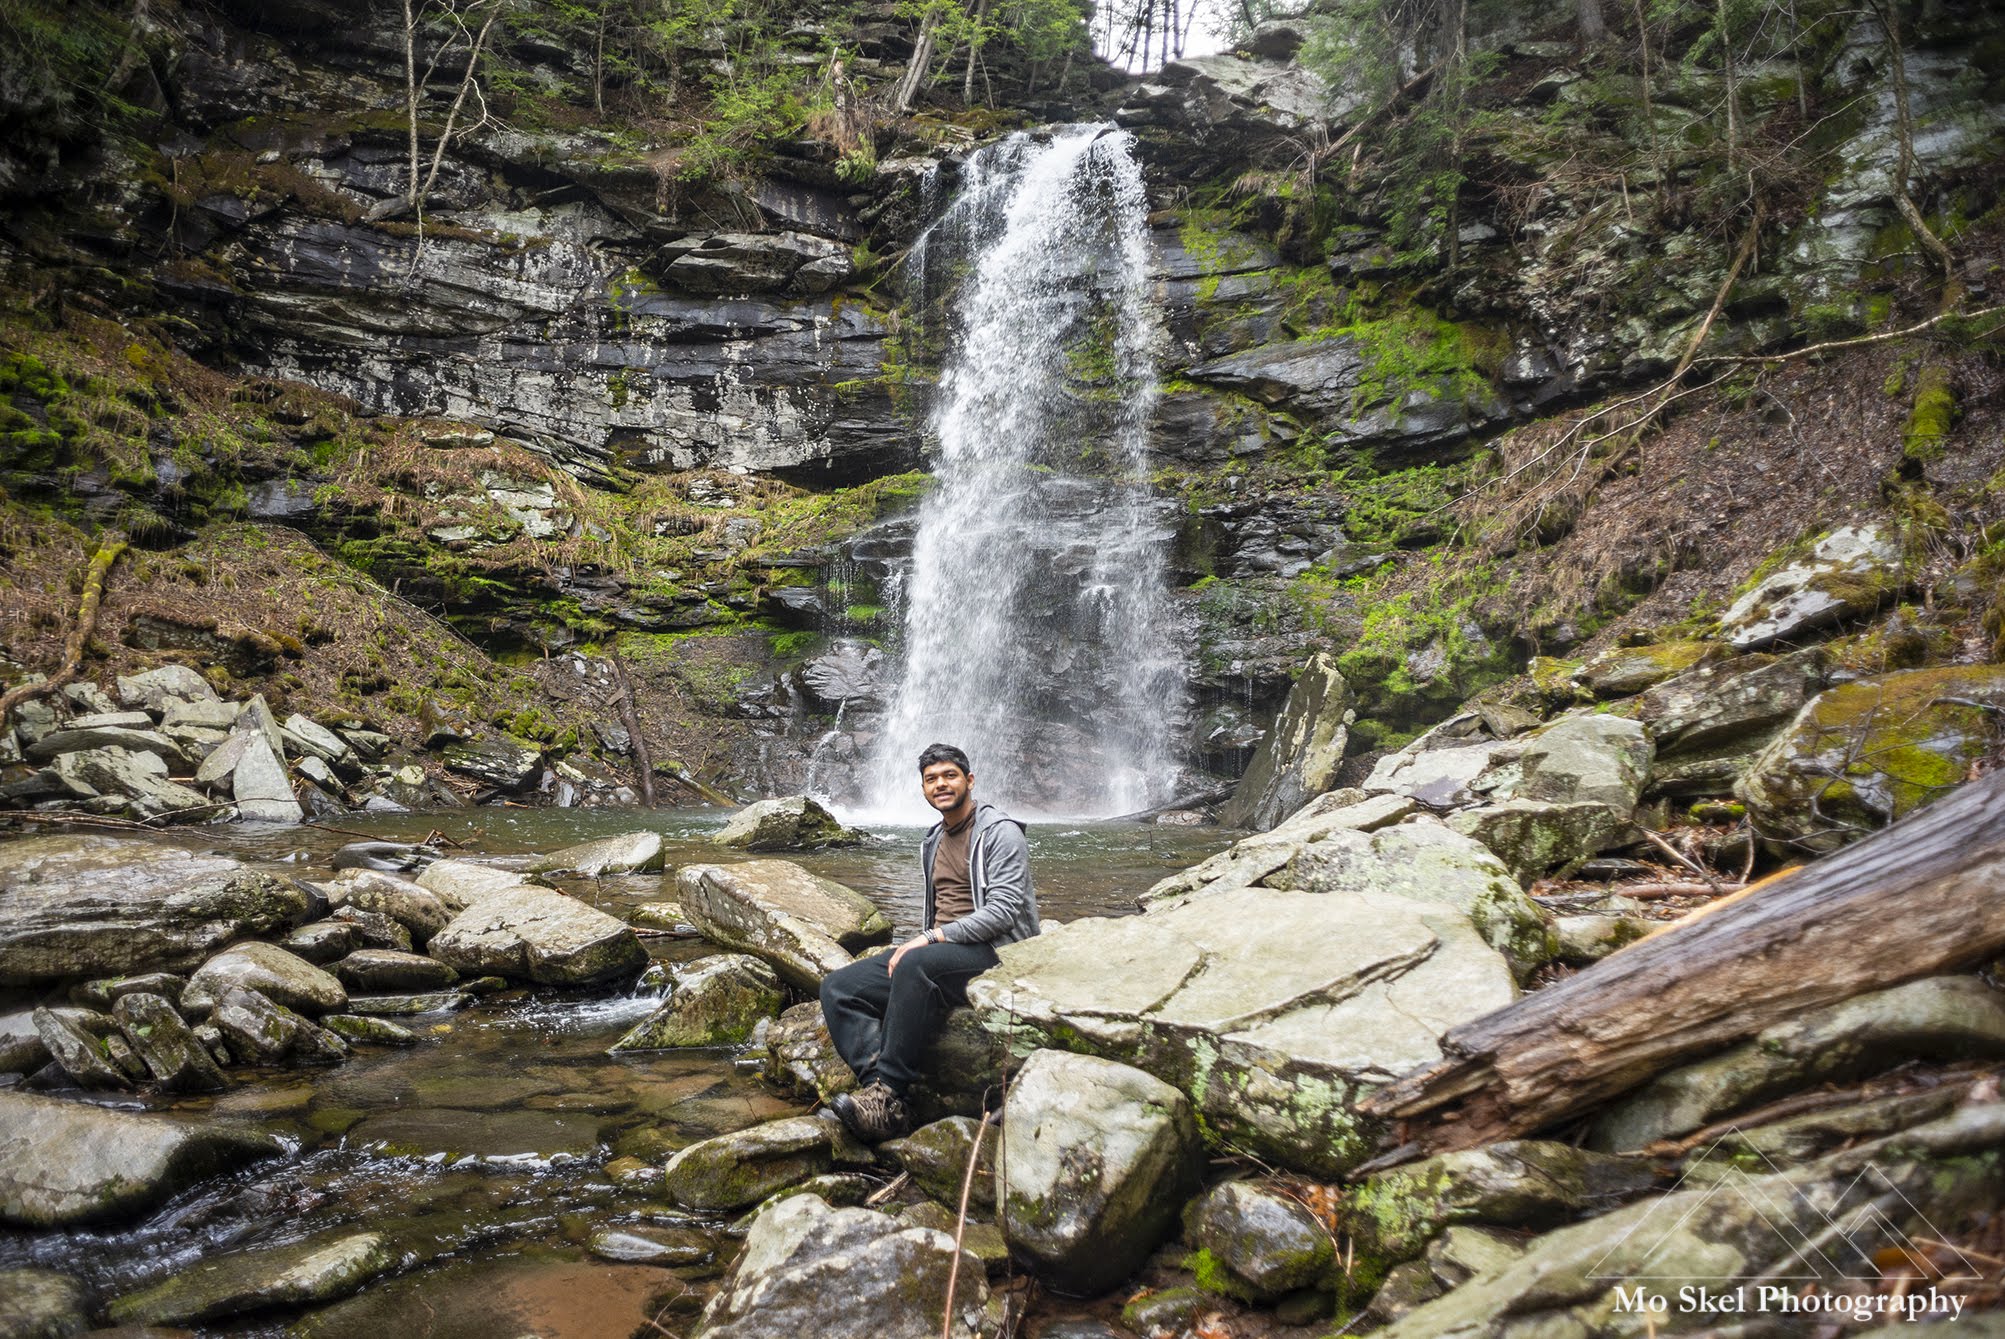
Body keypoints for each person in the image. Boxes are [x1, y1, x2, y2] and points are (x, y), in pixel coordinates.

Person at [819, 742, 1039, 1142]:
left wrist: (929, 938)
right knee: (839, 987)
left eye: (950, 775)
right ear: (923, 789)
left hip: (998, 952)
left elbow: (1005, 911)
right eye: (931, 779)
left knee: (914, 964)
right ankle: (883, 1097)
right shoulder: (934, 838)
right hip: (945, 952)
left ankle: (890, 1091)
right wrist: (928, 940)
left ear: (969, 780)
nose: (941, 784)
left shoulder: (1001, 833)